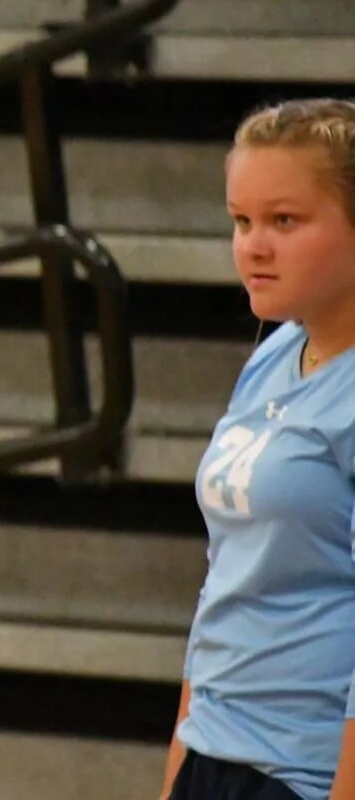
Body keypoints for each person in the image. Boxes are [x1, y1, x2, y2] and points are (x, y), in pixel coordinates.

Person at [164, 98, 355, 800]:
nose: (253, 246)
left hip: (303, 772)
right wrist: (181, 759)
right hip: (214, 752)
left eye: (285, 221)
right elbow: (227, 581)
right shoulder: (271, 358)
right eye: (241, 222)